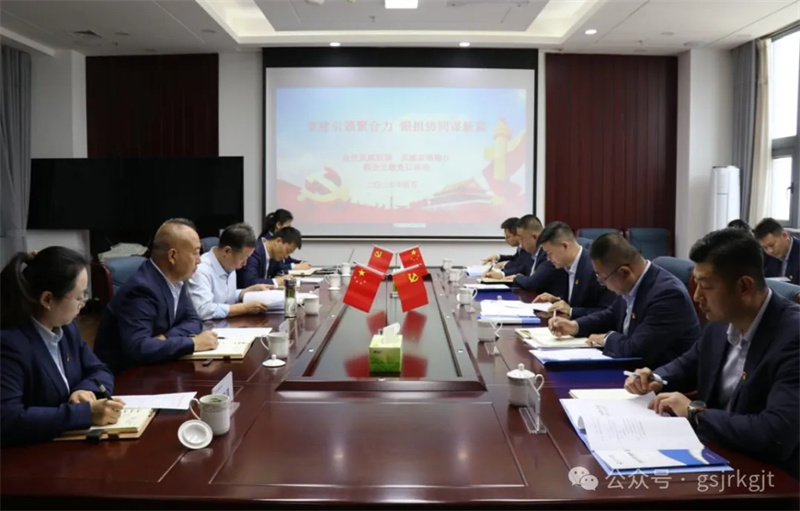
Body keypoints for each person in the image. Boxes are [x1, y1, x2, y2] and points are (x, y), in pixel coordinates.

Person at [624, 229, 799, 479]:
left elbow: (775, 434)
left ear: (744, 286)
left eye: (705, 286)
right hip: (714, 454)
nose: (697, 297)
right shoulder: (721, 321)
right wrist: (657, 378)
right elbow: (690, 363)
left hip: (768, 477)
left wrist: (694, 412)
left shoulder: (793, 337)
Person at [1, 248, 124, 445]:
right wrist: (83, 413)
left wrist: (84, 391)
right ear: (47, 299)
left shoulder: (67, 329)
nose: (83, 304)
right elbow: (8, 419)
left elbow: (99, 369)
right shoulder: (10, 343)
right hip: (30, 454)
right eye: (79, 297)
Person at [549, 234, 700, 367]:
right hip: (631, 370)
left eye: (603, 279)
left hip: (657, 380)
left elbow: (636, 350)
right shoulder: (631, 284)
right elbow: (611, 315)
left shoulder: (668, 296)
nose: (602, 284)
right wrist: (575, 326)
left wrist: (607, 338)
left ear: (625, 272)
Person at [94, 219, 218, 372]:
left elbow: (193, 320)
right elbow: (139, 347)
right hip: (126, 376)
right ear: (172, 256)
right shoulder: (141, 289)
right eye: (195, 253)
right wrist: (193, 344)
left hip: (157, 364)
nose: (199, 260)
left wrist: (166, 338)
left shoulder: (176, 280)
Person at [187, 223, 273, 320]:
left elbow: (224, 297)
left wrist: (245, 292)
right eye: (242, 258)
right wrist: (244, 308)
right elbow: (203, 310)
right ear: (227, 251)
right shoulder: (201, 270)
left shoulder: (229, 263)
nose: (245, 263)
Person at [533, 221, 614, 319]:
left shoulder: (594, 268)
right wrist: (557, 300)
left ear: (565, 246)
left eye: (550, 253)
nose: (548, 259)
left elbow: (607, 311)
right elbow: (577, 301)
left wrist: (571, 311)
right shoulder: (564, 266)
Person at [237, 226, 303, 288]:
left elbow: (281, 270)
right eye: (288, 251)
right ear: (278, 241)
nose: (286, 256)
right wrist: (277, 281)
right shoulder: (255, 251)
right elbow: (249, 282)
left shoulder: (275, 256)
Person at [753, 217, 799, 284]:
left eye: (772, 245)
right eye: (765, 247)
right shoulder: (765, 255)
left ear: (785, 235)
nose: (770, 251)